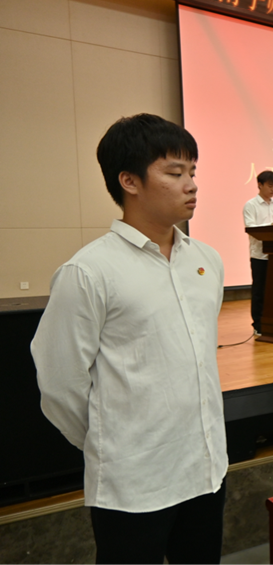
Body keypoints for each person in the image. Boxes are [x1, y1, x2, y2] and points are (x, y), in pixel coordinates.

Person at [31, 114, 227, 564]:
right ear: (129, 181)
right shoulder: (89, 271)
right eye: (175, 173)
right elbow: (60, 383)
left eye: (193, 171)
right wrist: (112, 441)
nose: (191, 184)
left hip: (206, 469)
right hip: (133, 485)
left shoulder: (207, 261)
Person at [243, 170, 273, 335]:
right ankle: (258, 325)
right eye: (270, 186)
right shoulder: (251, 205)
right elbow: (251, 228)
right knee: (259, 291)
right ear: (259, 185)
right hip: (260, 255)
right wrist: (271, 227)